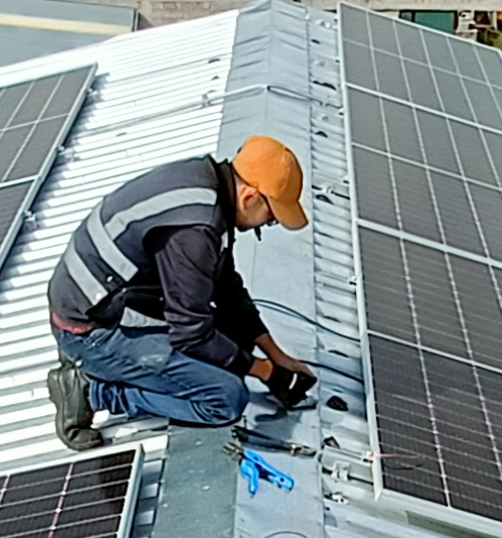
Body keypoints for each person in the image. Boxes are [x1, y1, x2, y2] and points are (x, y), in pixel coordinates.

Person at [46, 136, 314, 449]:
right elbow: (190, 333)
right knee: (225, 398)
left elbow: (226, 286)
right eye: (271, 216)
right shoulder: (195, 230)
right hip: (91, 331)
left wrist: (276, 355)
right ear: (250, 197)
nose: (269, 224)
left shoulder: (208, 185)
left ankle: (101, 365)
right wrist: (266, 372)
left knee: (234, 344)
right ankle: (90, 389)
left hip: (103, 301)